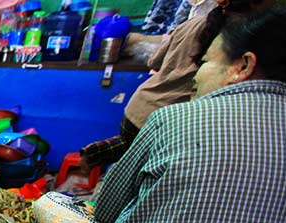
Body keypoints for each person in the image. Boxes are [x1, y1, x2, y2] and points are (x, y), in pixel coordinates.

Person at [74, 8, 286, 223]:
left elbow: (107, 210)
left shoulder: (173, 118)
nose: (195, 76)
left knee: (54, 205)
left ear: (243, 66)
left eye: (204, 63)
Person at [79, 0, 273, 169]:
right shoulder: (239, 37)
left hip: (140, 105)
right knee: (138, 164)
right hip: (165, 117)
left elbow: (154, 61)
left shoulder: (191, 25)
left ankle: (92, 156)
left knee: (132, 152)